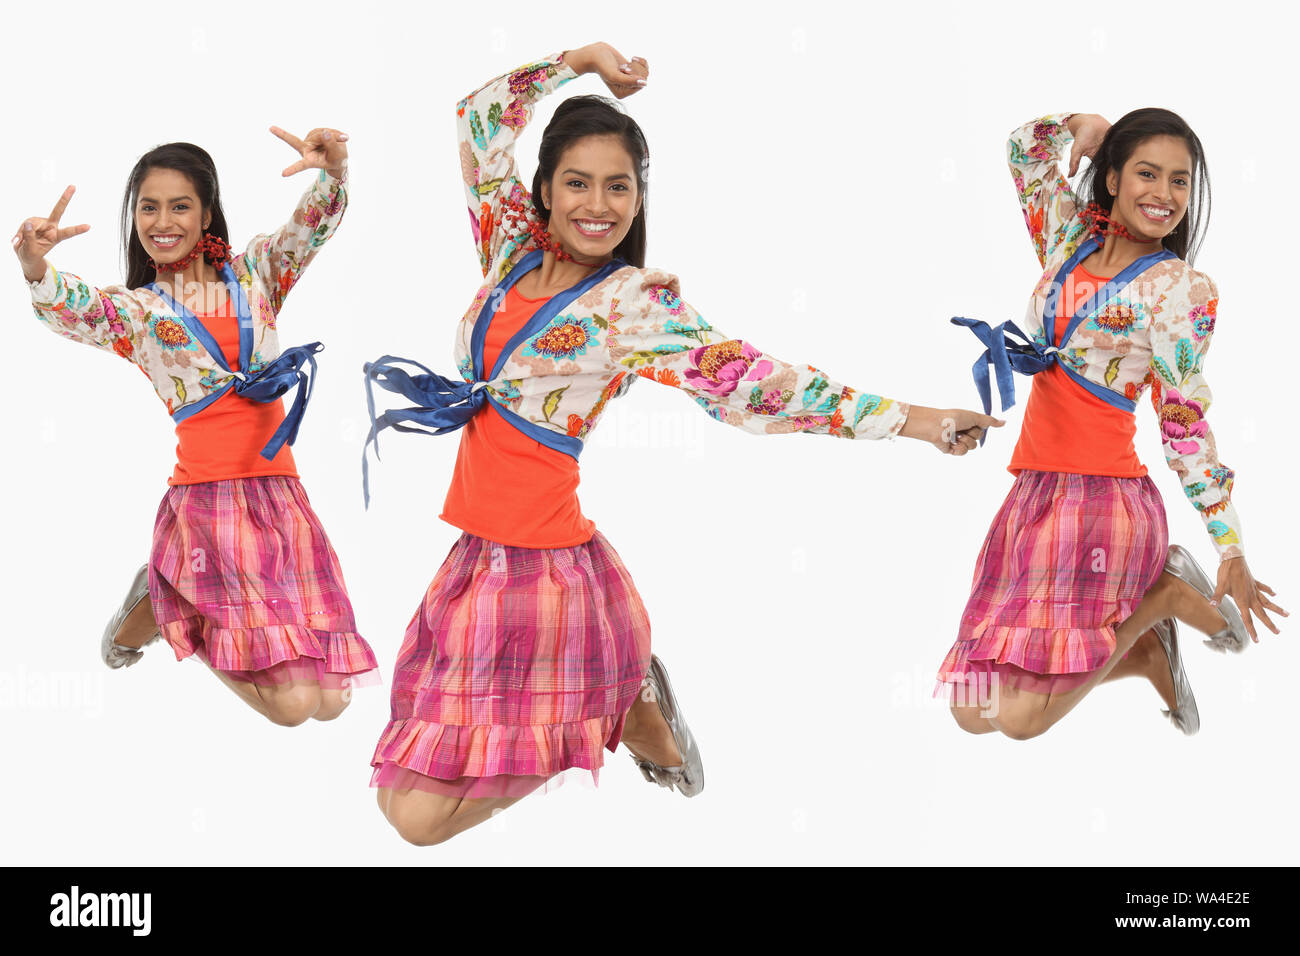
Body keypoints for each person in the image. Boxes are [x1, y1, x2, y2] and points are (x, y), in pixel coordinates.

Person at [362, 41, 1002, 846]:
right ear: (545, 191)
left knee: (418, 822)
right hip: (475, 558)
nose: (599, 205)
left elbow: (761, 384)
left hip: (543, 578)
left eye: (619, 186)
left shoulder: (633, 305)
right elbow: (478, 118)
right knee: (396, 800)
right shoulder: (511, 247)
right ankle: (626, 706)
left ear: (640, 196)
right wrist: (581, 61)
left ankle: (613, 710)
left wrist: (914, 418)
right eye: (578, 182)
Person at [938, 110, 1288, 739]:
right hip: (1034, 493)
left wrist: (1228, 543)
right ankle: (1145, 651)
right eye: (1147, 173)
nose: (1165, 194)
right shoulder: (1066, 238)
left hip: (1100, 501)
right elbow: (1022, 152)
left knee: (1018, 720)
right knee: (971, 706)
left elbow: (1184, 422)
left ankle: (1166, 598)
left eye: (1180, 181)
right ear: (1112, 179)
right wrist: (1080, 124)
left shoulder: (1179, 290)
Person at [15, 127, 379, 726]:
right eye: (148, 207)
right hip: (210, 504)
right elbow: (73, 307)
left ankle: (166, 597)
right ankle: (171, 604)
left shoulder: (256, 275)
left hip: (280, 497)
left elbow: (306, 230)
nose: (163, 220)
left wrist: (334, 173)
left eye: (179, 205)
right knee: (291, 707)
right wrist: (34, 265)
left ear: (207, 211)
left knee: (333, 700)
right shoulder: (141, 311)